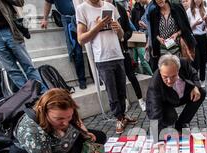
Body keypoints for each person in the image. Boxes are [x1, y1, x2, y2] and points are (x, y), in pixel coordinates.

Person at [76, 0, 137, 134]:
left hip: (118, 54)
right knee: (112, 92)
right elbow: (81, 39)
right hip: (102, 57)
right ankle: (118, 118)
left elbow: (121, 36)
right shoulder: (82, 9)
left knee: (122, 89)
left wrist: (118, 28)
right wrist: (98, 26)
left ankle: (123, 116)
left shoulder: (110, 6)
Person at [146, 54, 205, 140]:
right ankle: (163, 126)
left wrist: (195, 86)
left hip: (181, 95)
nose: (169, 81)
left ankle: (181, 123)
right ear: (160, 71)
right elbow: (155, 111)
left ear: (178, 69)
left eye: (173, 76)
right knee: (171, 117)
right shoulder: (155, 84)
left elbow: (193, 73)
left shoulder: (183, 63)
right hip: (166, 102)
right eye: (165, 77)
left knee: (201, 92)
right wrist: (158, 138)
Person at [41, 0, 87, 90]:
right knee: (77, 51)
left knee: (92, 47)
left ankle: (98, 77)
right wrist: (45, 19)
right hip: (68, 20)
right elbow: (47, 3)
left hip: (84, 16)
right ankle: (82, 80)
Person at [111, 0, 147, 112]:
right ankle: (125, 101)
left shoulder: (119, 8)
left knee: (131, 76)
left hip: (123, 49)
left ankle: (141, 100)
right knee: (119, 80)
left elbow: (129, 31)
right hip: (110, 51)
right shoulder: (99, 11)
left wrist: (122, 37)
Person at [187, 0, 207, 87]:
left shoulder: (205, 9)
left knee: (203, 60)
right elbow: (187, 28)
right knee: (195, 61)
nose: (198, 0)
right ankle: (195, 81)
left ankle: (203, 81)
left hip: (203, 37)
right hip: (194, 38)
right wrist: (195, 24)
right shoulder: (189, 11)